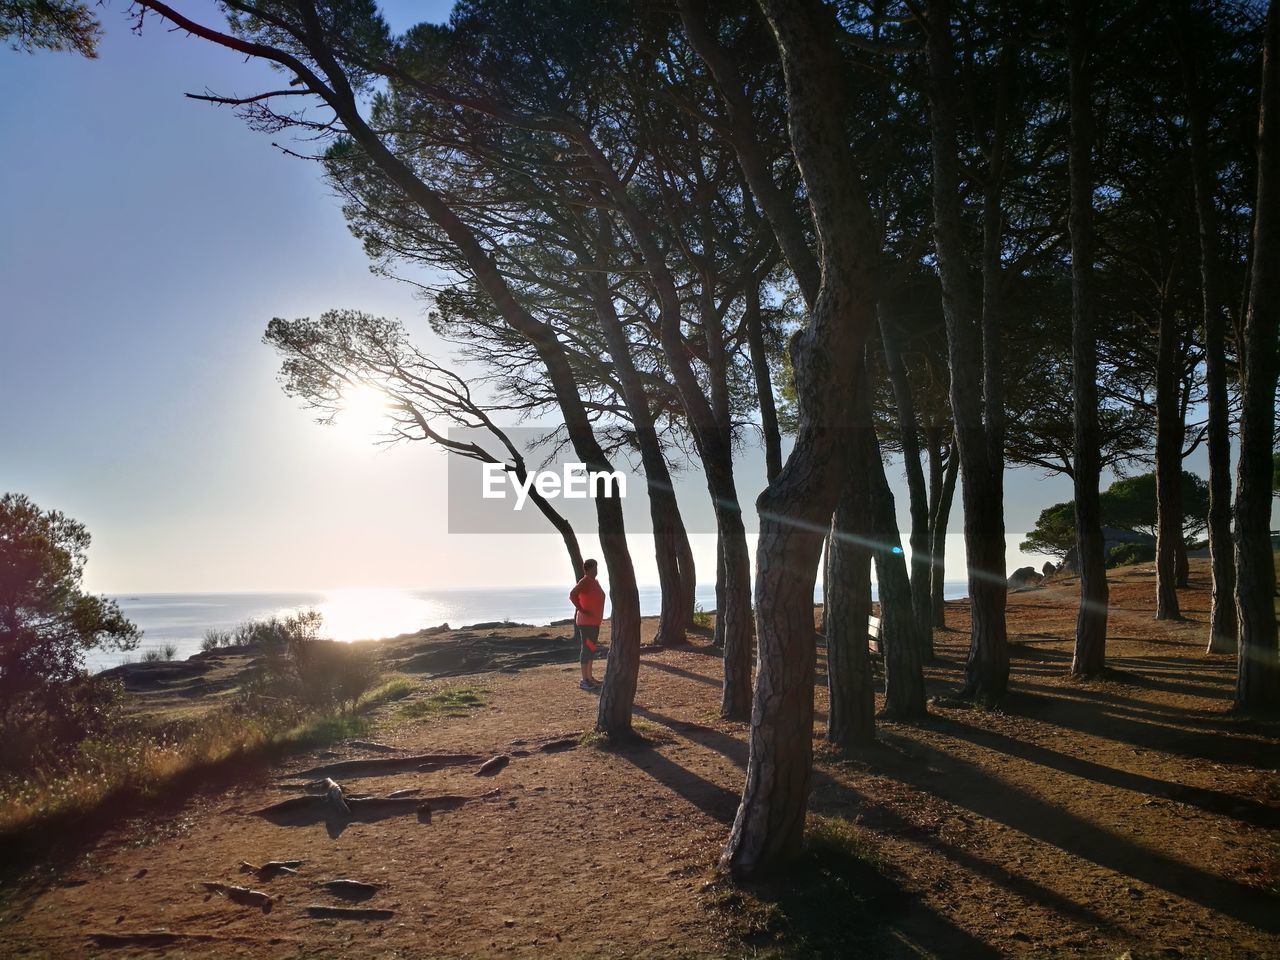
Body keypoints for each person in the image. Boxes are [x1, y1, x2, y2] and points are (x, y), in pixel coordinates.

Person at [569, 558, 606, 690]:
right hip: (586, 623)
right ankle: (584, 680)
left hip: (594, 623)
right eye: (593, 568)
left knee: (591, 649)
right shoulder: (584, 582)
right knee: (587, 649)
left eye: (597, 568)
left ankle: (590, 677)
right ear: (587, 569)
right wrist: (581, 609)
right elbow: (573, 595)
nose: (596, 571)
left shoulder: (594, 582)